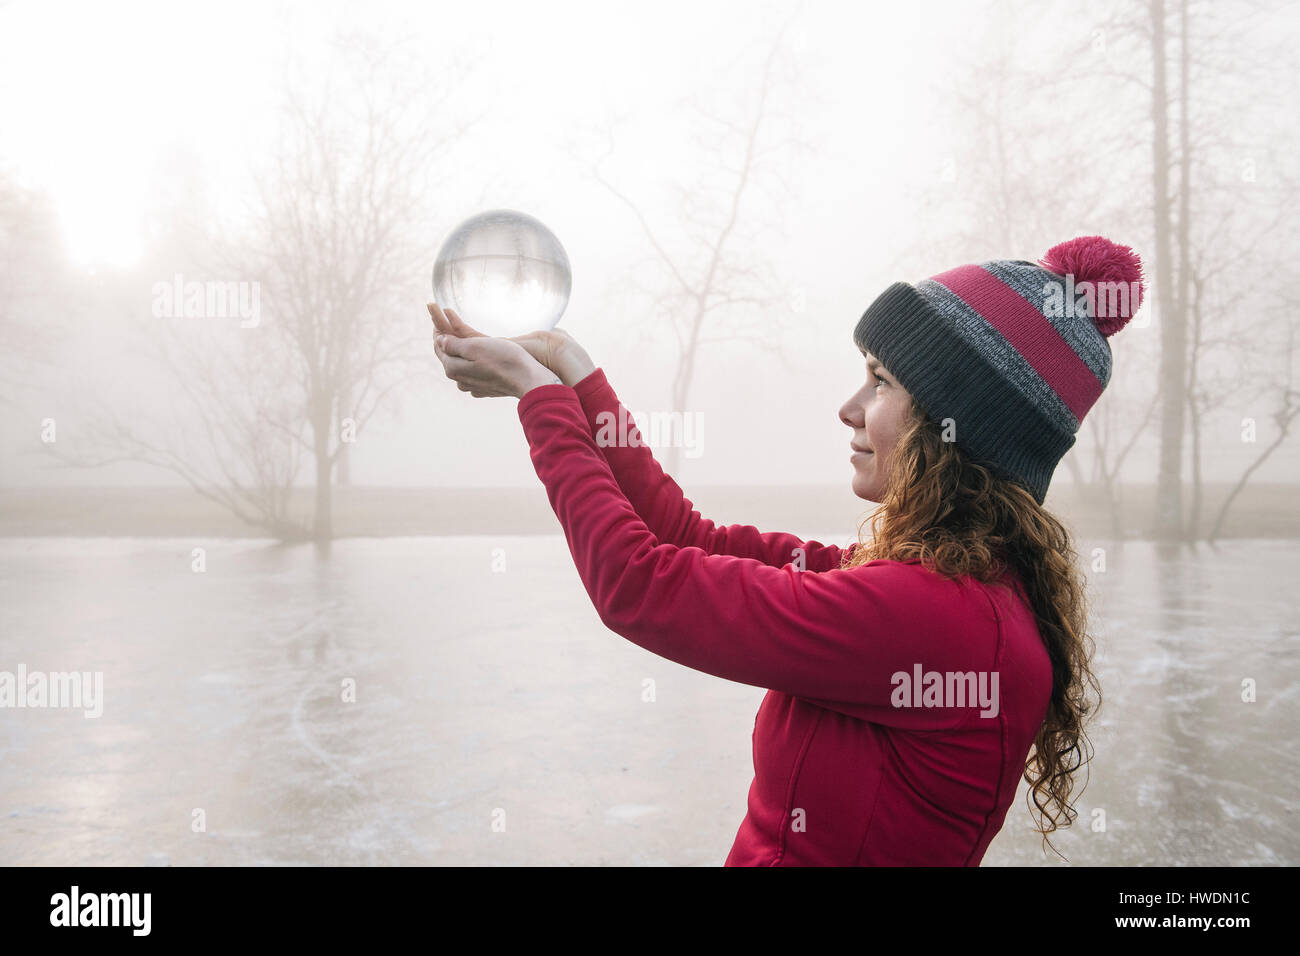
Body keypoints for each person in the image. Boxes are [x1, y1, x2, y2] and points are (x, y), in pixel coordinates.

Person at [429, 234, 1144, 866]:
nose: (850, 406)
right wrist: (574, 373)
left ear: (955, 426)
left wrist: (538, 398)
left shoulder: (933, 615)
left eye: (881, 380)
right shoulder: (944, 587)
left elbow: (639, 586)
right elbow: (687, 540)